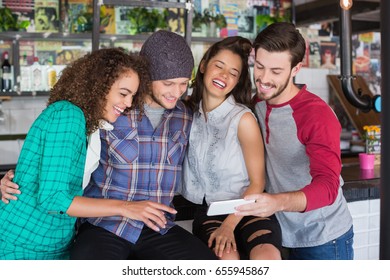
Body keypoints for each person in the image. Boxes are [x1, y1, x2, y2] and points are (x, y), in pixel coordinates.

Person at [69, 30, 217, 260]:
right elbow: (57, 152)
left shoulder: (185, 117)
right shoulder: (113, 109)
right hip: (105, 225)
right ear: (146, 76)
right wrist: (13, 178)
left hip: (157, 228)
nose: (176, 92)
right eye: (168, 83)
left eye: (183, 83)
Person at [0, 47, 151, 259]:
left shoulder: (90, 124)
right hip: (24, 244)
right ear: (99, 85)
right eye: (123, 94)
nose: (128, 104)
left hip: (50, 242)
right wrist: (125, 208)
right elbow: (53, 198)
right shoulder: (68, 115)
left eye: (132, 96)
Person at [235, 22, 354, 260]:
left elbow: (329, 187)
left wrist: (276, 203)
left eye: (276, 72)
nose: (264, 79)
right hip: (282, 234)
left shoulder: (316, 115)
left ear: (296, 68)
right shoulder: (257, 103)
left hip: (324, 239)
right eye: (259, 66)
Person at [181, 36, 282, 260]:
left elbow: (258, 183)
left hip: (249, 206)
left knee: (267, 257)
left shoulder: (242, 119)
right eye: (219, 66)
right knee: (227, 258)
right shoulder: (187, 115)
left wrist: (229, 225)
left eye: (233, 73)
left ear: (237, 82)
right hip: (210, 210)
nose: (224, 76)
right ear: (204, 66)